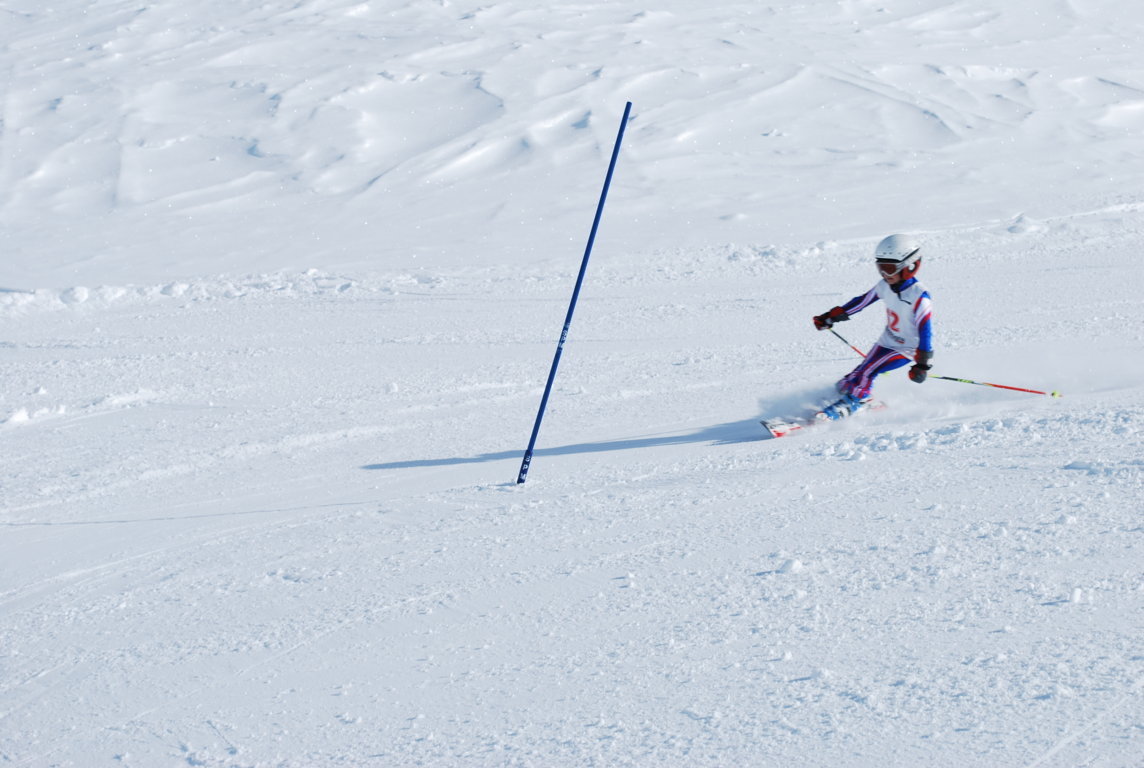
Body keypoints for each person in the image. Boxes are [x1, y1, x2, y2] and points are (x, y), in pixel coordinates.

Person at [812, 234, 933, 420]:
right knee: (854, 376)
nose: (885, 275)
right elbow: (861, 302)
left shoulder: (919, 296)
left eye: (889, 269)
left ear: (909, 266)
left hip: (907, 349)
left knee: (868, 372)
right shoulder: (885, 285)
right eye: (881, 268)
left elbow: (925, 331)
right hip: (886, 342)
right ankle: (850, 397)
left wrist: (922, 364)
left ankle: (855, 402)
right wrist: (830, 317)